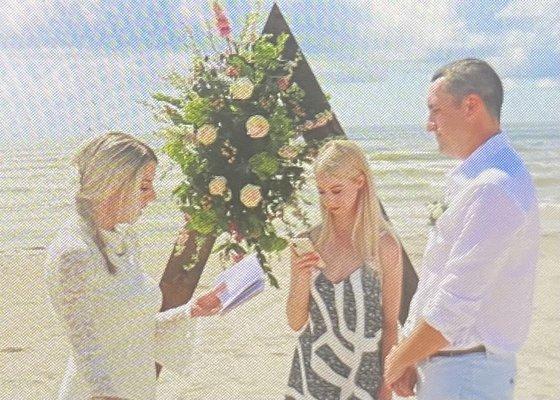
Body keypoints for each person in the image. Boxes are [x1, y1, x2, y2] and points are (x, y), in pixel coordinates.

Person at [384, 59, 540, 400]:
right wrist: (413, 354)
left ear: (471, 106)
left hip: (466, 376)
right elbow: (436, 280)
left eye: (435, 111)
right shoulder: (482, 179)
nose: (429, 124)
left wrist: (400, 357)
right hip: (455, 371)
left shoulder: (494, 187)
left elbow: (455, 306)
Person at [44, 132, 224, 400]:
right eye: (144, 186)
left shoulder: (126, 239)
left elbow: (133, 329)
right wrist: (104, 393)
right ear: (113, 186)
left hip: (138, 386)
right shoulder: (74, 254)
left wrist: (189, 311)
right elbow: (84, 346)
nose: (152, 197)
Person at [285, 140, 403, 400]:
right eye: (322, 192)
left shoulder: (384, 246)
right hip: (310, 377)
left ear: (360, 181)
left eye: (336, 190)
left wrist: (386, 389)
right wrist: (302, 276)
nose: (328, 201)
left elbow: (389, 324)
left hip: (363, 381)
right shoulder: (309, 242)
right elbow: (296, 323)